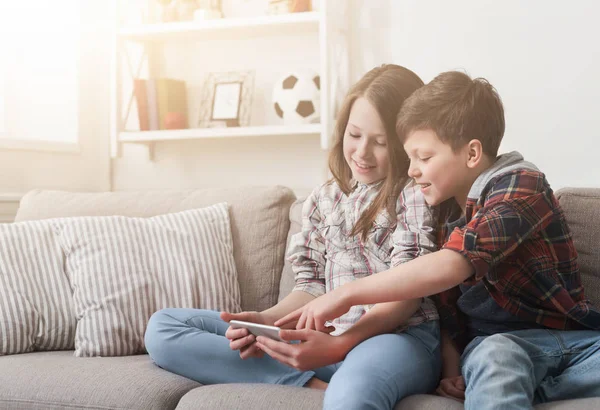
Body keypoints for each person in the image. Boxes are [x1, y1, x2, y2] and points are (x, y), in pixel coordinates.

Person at [276, 70, 600, 410]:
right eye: (409, 157)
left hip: (573, 343)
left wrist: (344, 294)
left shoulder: (520, 186)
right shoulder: (441, 215)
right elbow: (446, 313)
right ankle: (531, 385)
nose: (412, 170)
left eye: (424, 158)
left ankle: (535, 385)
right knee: (495, 353)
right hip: (497, 352)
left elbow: (452, 264)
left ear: (472, 154)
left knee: (497, 355)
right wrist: (450, 369)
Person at [144, 64, 442, 410]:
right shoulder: (323, 199)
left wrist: (341, 344)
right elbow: (311, 286)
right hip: (323, 343)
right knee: (164, 328)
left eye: (380, 142)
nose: (362, 152)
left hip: (396, 339)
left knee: (353, 394)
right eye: (354, 134)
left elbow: (405, 296)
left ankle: (325, 381)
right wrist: (266, 321)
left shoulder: (414, 195)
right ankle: (307, 383)